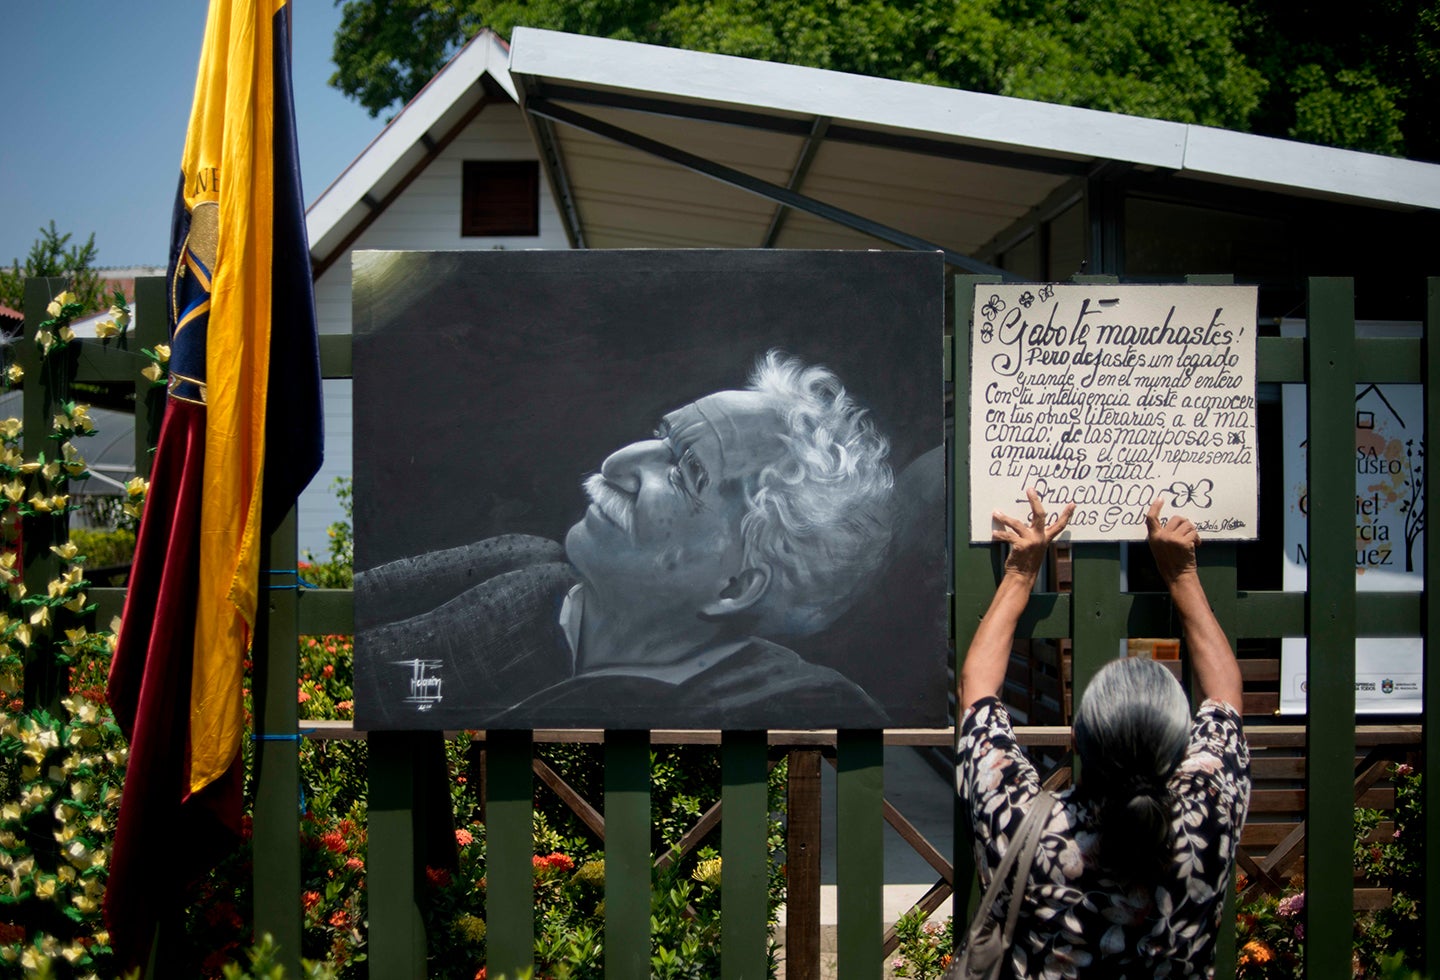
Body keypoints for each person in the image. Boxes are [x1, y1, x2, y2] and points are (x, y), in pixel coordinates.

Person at [355, 351, 897, 729]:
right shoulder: (517, 562)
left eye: (688, 473)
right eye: (662, 438)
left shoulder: (789, 702)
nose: (618, 462)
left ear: (734, 585)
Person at [955, 492, 1250, 978]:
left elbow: (977, 694)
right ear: (1183, 753)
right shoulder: (1207, 821)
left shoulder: (1024, 830)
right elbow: (1225, 699)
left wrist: (1020, 573)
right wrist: (1181, 576)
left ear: (1076, 739)